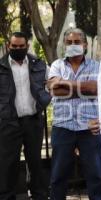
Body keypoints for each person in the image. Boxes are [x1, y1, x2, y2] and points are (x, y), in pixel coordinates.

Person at [47, 28, 101, 200]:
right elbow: (55, 91)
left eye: (77, 42)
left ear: (85, 45)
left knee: (95, 176)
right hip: (63, 127)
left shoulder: (96, 65)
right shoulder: (57, 65)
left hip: (90, 128)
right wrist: (84, 88)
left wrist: (64, 83)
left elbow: (96, 89)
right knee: (58, 176)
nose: (73, 45)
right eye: (69, 42)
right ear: (64, 45)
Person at [0, 32, 51, 200]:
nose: (17, 49)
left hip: (33, 121)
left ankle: (40, 196)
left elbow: (53, 82)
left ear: (27, 46)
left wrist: (45, 99)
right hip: (9, 124)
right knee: (8, 166)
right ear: (9, 46)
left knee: (36, 164)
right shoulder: (1, 66)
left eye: (21, 46)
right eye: (14, 46)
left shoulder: (39, 64)